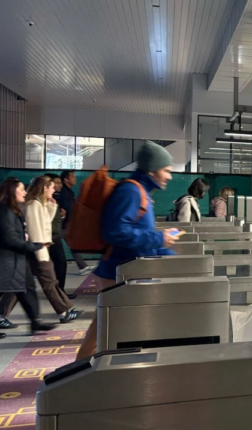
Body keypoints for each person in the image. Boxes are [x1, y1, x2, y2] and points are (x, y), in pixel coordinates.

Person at [77, 141, 180, 359]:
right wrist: (159, 238)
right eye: (167, 170)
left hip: (127, 272)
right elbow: (115, 231)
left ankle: (90, 370)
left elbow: (135, 234)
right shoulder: (131, 191)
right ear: (152, 169)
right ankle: (81, 373)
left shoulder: (140, 190)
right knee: (107, 327)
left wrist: (165, 249)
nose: (169, 176)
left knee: (111, 326)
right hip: (118, 273)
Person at [2, 176, 82, 324]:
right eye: (52, 187)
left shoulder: (38, 204)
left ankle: (1, 315)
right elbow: (34, 230)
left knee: (19, 286)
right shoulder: (33, 205)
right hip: (37, 251)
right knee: (50, 283)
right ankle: (64, 312)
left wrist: (52, 206)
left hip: (35, 250)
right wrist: (40, 251)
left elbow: (46, 223)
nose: (54, 189)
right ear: (44, 188)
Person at [0, 178, 56, 335]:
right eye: (22, 189)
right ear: (12, 191)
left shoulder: (12, 209)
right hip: (7, 260)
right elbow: (9, 238)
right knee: (14, 290)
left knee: (27, 289)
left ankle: (35, 321)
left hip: (16, 259)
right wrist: (34, 246)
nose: (25, 192)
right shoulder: (4, 211)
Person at [59, 170, 95, 276]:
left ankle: (82, 266)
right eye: (72, 177)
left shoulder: (69, 192)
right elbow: (66, 209)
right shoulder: (63, 192)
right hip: (61, 225)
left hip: (66, 224)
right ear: (66, 179)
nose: (75, 179)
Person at [43, 173, 73, 298]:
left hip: (54, 236)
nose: (60, 185)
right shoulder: (43, 201)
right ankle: (59, 295)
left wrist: (61, 216)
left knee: (58, 264)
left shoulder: (54, 199)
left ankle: (59, 294)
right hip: (48, 238)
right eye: (57, 183)